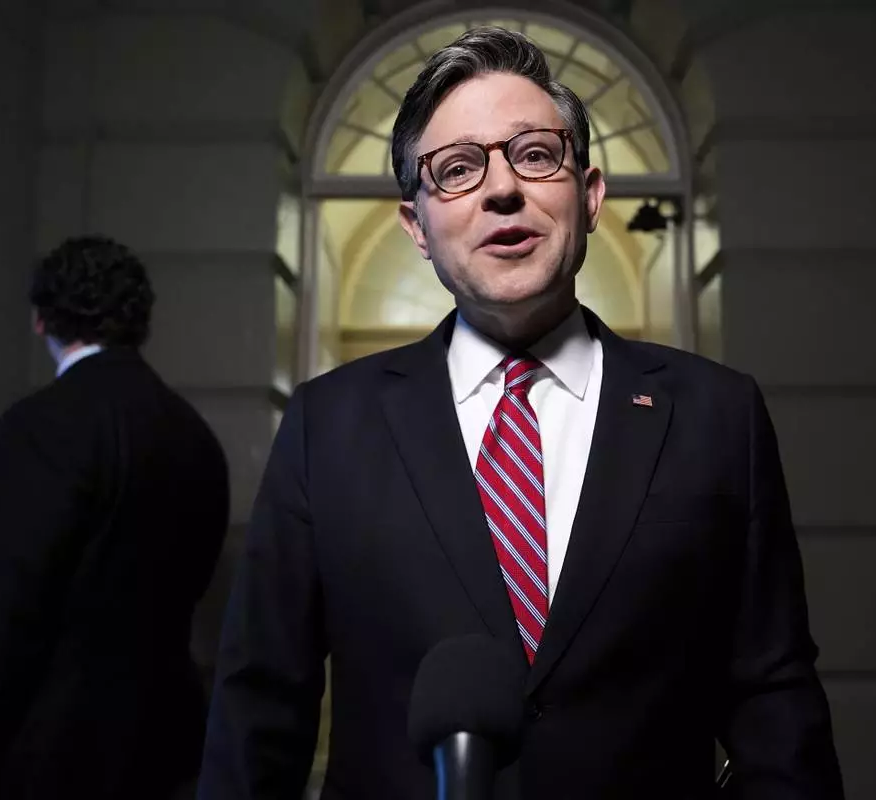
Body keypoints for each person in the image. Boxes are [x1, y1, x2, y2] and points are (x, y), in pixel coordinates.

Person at [198, 27, 842, 799]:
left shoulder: (717, 415)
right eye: (457, 169)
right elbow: (259, 711)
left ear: (590, 195)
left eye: (535, 155)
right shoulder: (326, 426)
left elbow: (774, 704)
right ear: (417, 227)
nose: (502, 189)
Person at [0, 236, 231, 799]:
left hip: (51, 758)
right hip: (165, 749)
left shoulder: (43, 426)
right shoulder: (193, 435)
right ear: (139, 320)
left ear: (41, 319)